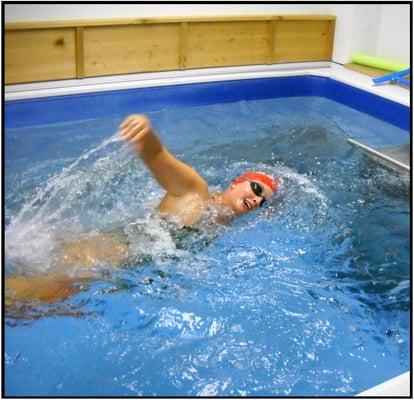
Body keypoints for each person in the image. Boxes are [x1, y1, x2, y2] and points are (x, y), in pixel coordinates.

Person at [5, 114, 278, 306]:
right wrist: (146, 134)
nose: (256, 200)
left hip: (121, 272)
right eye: (255, 189)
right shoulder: (196, 191)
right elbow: (158, 157)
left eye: (262, 200)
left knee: (32, 309)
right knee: (38, 292)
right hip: (110, 253)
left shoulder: (222, 225)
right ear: (236, 183)